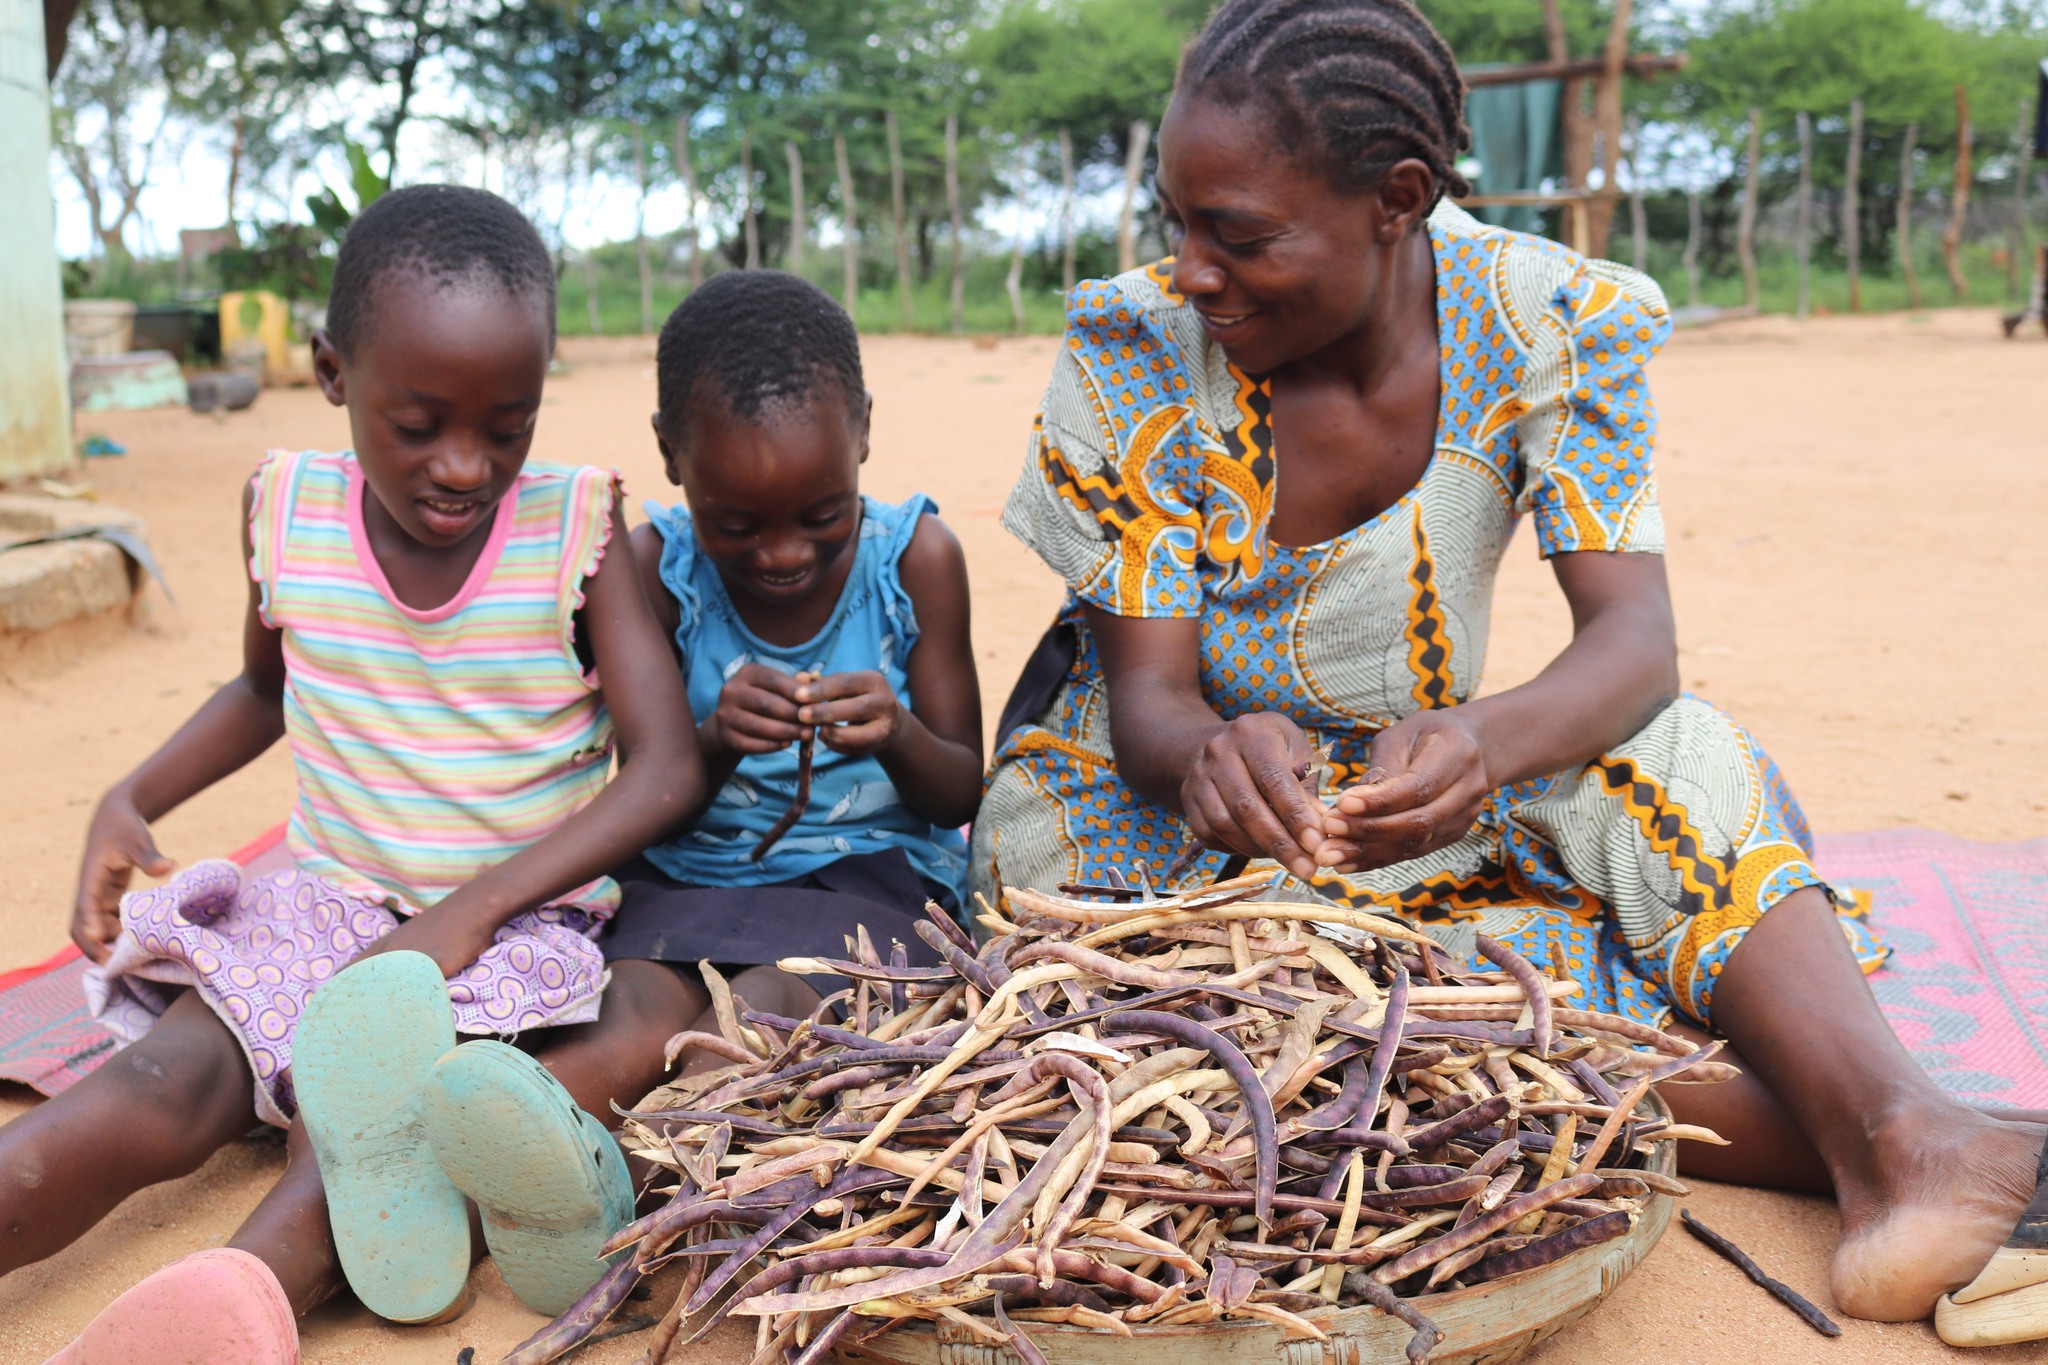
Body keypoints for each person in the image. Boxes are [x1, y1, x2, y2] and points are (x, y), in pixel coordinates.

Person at [973, 0, 2047, 1333]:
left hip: (1410, 782)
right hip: (1156, 825)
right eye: (1177, 221)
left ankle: (1907, 1132)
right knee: (1208, 1000)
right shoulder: (1132, 351)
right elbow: (1147, 702)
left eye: (1238, 235)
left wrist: (1484, 740)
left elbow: (1633, 645)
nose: (1192, 268)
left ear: (1398, 199)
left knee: (1675, 755)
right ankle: (1910, 1140)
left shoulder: (1549, 318)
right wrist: (1208, 752)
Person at [4, 185, 707, 1355]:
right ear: (334, 374)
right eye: (419, 424)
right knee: (156, 1092)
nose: (465, 467)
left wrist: (469, 914)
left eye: (507, 426)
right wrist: (128, 798)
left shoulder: (573, 531)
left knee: (358, 1144)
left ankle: (237, 1302)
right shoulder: (284, 509)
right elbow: (260, 693)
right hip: (322, 916)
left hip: (505, 939)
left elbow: (666, 768)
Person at [612, 269, 983, 1048]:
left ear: (865, 433)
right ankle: (541, 1150)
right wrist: (715, 738)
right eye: (736, 525)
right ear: (669, 453)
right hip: (689, 879)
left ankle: (669, 1163)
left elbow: (957, 793)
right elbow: (640, 792)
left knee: (762, 1007)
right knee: (633, 1006)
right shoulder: (655, 570)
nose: (782, 552)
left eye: (823, 514)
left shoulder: (915, 561)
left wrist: (896, 731)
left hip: (873, 883)